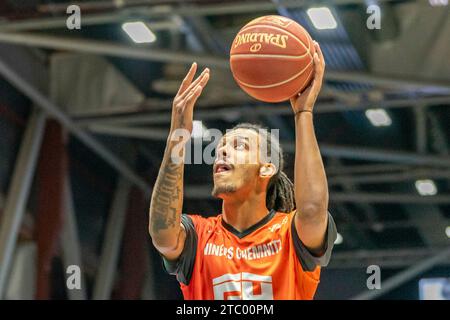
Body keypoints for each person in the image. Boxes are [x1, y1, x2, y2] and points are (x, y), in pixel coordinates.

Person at [149, 41, 337, 300]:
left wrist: (303, 112)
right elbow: (162, 234)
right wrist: (177, 137)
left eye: (239, 145)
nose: (222, 152)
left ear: (266, 168)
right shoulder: (199, 235)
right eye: (220, 147)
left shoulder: (290, 234)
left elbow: (314, 210)